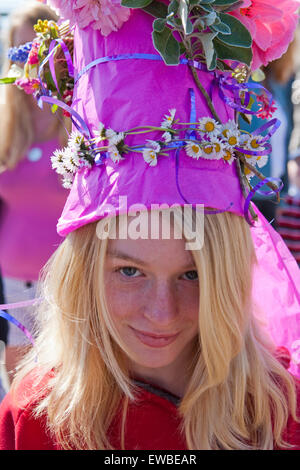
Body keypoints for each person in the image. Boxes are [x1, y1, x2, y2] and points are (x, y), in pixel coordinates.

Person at [0, 0, 300, 451]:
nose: (161, 312)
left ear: (232, 273)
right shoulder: (36, 419)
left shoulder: (278, 412)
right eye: (130, 271)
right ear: (83, 270)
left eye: (192, 274)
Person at [0, 1, 69, 381]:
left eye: (37, 51)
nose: (29, 64)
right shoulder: (7, 125)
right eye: (19, 51)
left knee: (59, 390)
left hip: (64, 286)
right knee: (17, 390)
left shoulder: (78, 121)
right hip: (12, 283)